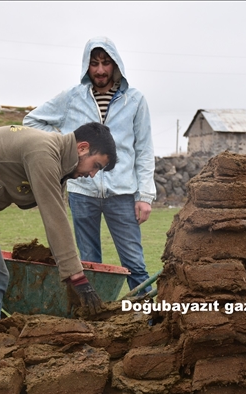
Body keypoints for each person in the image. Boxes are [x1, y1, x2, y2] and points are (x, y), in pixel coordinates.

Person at [0, 123, 117, 362]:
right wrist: (78, 278)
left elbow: (59, 217)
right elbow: (54, 218)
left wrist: (72, 272)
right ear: (82, 147)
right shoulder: (44, 152)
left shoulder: (56, 163)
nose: (93, 174)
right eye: (95, 165)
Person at [23, 36, 156, 295]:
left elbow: (145, 150)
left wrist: (145, 196)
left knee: (134, 262)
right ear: (87, 66)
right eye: (94, 63)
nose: (100, 70)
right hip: (81, 192)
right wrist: (63, 148)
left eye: (106, 62)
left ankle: (148, 317)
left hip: (123, 193)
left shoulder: (135, 100)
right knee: (89, 263)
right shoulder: (73, 97)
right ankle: (96, 320)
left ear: (116, 64)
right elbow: (32, 121)